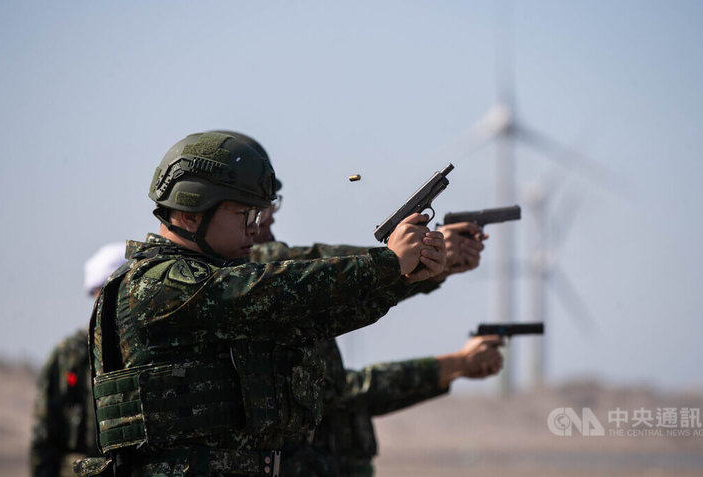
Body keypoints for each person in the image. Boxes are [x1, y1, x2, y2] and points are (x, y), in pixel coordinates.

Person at [77, 131, 446, 477]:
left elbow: (312, 315)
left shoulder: (216, 284)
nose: (255, 228)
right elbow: (274, 290)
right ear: (191, 213)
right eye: (245, 215)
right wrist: (387, 263)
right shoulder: (158, 283)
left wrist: (403, 277)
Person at [235, 133, 504, 476]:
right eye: (258, 206)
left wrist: (423, 267)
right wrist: (400, 261)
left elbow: (343, 391)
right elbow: (329, 269)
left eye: (272, 204)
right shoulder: (257, 274)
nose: (269, 216)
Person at [31, 243, 126, 477]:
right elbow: (45, 436)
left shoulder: (141, 347)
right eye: (97, 292)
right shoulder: (69, 355)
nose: (102, 300)